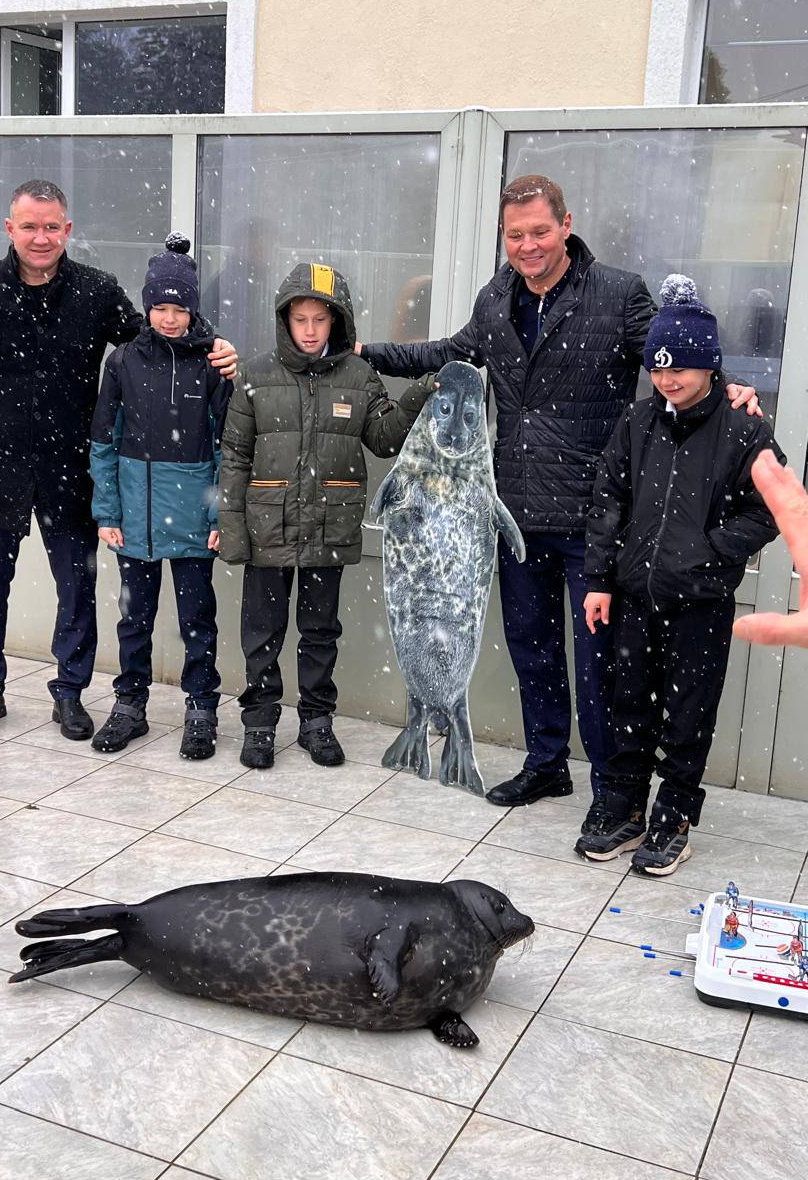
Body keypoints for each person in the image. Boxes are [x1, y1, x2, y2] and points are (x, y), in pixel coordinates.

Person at [357, 175, 759, 808]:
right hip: (516, 514)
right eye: (515, 235)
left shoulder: (617, 294)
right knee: (532, 651)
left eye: (540, 231)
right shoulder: (496, 300)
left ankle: (610, 787)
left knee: (601, 668)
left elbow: (671, 355)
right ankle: (548, 763)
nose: (528, 246)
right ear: (504, 237)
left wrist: (726, 386)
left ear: (566, 225)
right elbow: (447, 353)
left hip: (593, 521)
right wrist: (359, 352)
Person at [0, 181, 237, 740]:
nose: (41, 237)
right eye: (29, 226)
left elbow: (155, 343)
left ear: (67, 230)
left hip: (70, 468)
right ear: (10, 229)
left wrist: (213, 345)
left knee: (74, 587)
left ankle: (70, 693)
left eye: (52, 226)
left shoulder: (96, 293)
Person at [578, 275, 784, 876]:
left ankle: (673, 820)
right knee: (627, 706)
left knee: (687, 716)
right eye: (658, 369)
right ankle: (623, 810)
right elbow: (608, 499)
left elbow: (770, 506)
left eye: (681, 370)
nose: (668, 380)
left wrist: (710, 549)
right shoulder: (639, 422)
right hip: (635, 597)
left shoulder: (744, 430)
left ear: (710, 367)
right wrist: (599, 578)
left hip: (700, 603)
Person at [218, 262, 435, 770]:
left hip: (327, 527)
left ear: (336, 322)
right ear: (285, 321)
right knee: (262, 630)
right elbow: (234, 456)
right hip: (267, 527)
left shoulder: (359, 376)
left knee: (320, 631)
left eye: (320, 319)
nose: (311, 330)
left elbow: (383, 438)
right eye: (301, 320)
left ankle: (317, 722)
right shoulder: (255, 375)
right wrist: (231, 528)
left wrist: (419, 395)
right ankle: (260, 723)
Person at [89, 234, 232, 759]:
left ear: (193, 309)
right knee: (134, 618)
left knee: (198, 618)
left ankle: (201, 709)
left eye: (179, 308)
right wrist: (106, 510)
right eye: (160, 307)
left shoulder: (213, 364)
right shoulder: (123, 362)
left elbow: (226, 447)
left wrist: (221, 514)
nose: (169, 318)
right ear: (148, 306)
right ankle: (130, 705)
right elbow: (103, 442)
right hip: (136, 521)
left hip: (195, 520)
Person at [734, 449, 808, 649]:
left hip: (703, 600)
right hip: (639, 604)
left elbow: (762, 515)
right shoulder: (641, 422)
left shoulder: (744, 426)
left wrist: (706, 552)